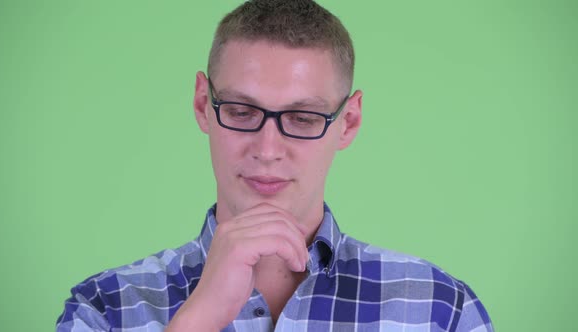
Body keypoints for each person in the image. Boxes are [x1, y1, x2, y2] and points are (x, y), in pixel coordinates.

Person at [57, 1, 494, 331]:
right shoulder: (104, 309)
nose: (268, 149)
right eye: (242, 112)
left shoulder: (440, 309)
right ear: (202, 105)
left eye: (302, 118)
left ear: (349, 122)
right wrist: (201, 315)